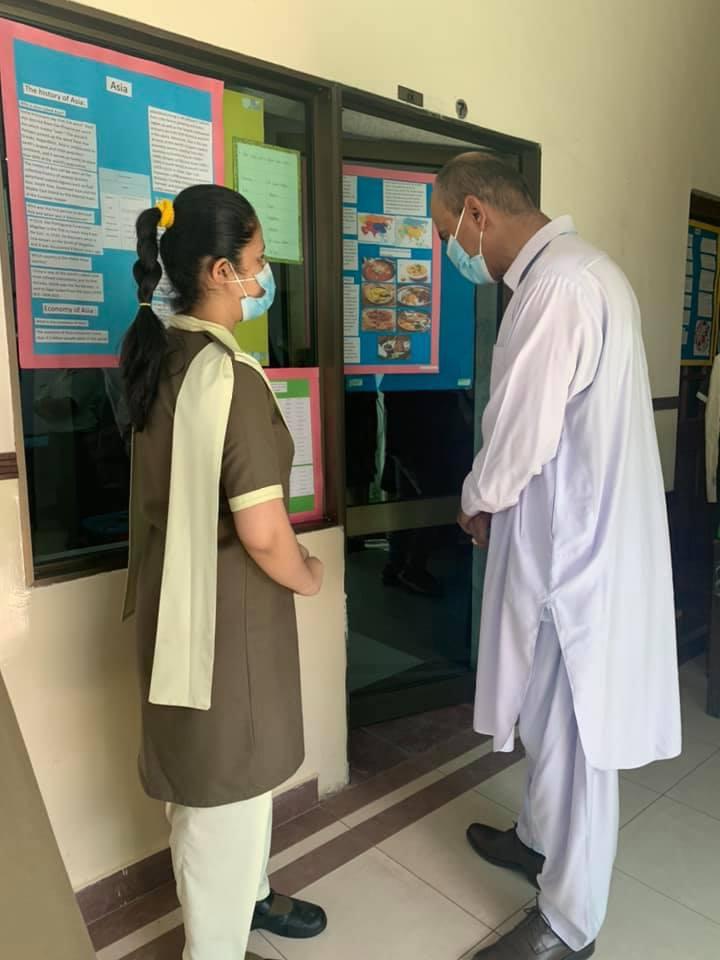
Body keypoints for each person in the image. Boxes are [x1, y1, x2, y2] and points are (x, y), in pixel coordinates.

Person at [431, 153, 681, 960]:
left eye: (447, 232)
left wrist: (476, 498)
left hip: (578, 562)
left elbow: (520, 434)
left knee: (576, 739)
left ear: (477, 214)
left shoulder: (560, 287)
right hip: (563, 546)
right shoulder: (576, 272)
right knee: (544, 712)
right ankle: (536, 840)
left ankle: (569, 925)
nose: (450, 250)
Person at [121, 186, 327, 960]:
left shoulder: (158, 357)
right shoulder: (227, 378)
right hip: (223, 625)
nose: (264, 275)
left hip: (177, 606)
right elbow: (265, 534)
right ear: (220, 270)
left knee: (220, 784)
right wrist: (309, 574)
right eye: (257, 260)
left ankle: (252, 899)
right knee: (221, 797)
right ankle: (214, 946)